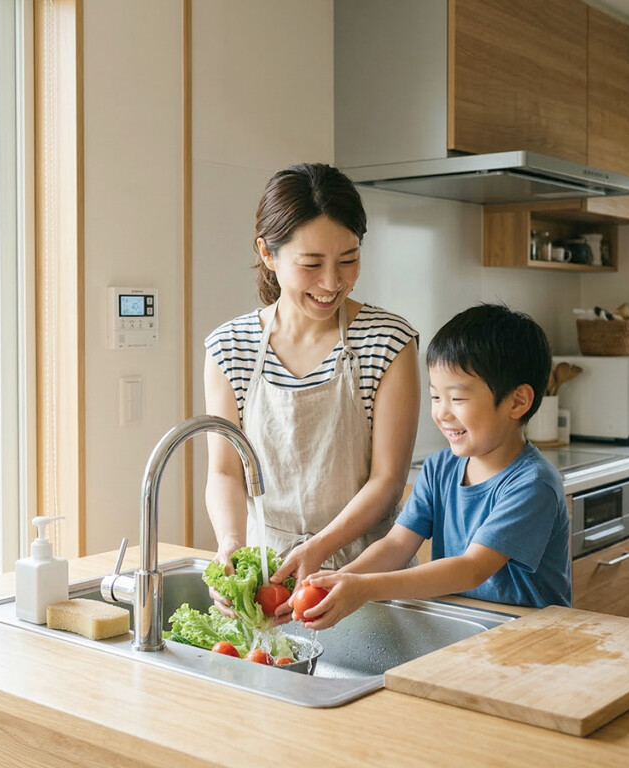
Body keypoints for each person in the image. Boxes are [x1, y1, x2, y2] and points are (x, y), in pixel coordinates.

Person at [203, 162, 420, 612]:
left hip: (365, 574)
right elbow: (225, 470)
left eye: (348, 260)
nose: (332, 283)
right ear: (267, 254)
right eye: (311, 264)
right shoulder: (231, 347)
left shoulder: (388, 340)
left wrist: (320, 549)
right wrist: (230, 546)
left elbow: (387, 480)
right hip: (269, 574)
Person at [295, 303, 571, 629]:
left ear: (517, 401)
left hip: (533, 637)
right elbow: (397, 544)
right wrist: (343, 579)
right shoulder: (439, 469)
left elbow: (472, 568)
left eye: (457, 399)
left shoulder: (532, 483)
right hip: (466, 627)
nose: (441, 413)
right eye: (436, 397)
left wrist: (367, 588)